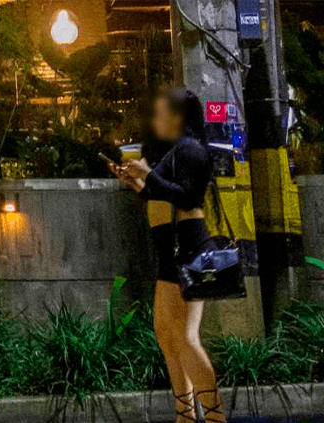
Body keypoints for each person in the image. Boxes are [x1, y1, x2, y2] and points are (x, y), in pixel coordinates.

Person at [110, 88, 227, 423]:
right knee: (165, 333)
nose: (155, 120)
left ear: (179, 117)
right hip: (170, 249)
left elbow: (187, 197)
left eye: (162, 113)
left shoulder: (191, 149)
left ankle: (215, 417)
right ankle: (185, 415)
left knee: (186, 337)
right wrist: (135, 181)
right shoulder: (171, 152)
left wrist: (147, 174)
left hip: (189, 245)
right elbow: (158, 194)